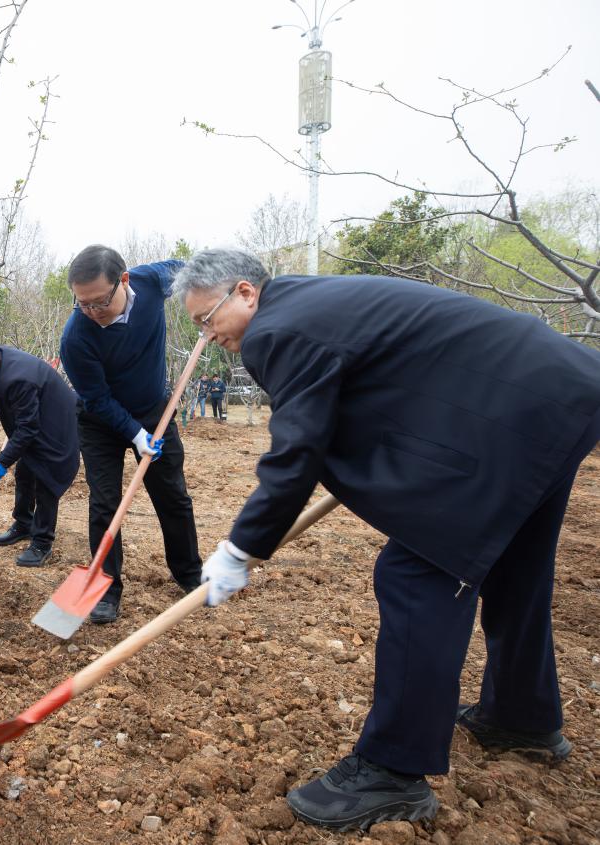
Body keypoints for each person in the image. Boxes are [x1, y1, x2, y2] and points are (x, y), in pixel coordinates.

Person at [176, 247, 600, 831]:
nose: (208, 335)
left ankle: (392, 772)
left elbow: (296, 452)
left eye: (207, 319)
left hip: (510, 414)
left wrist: (241, 548)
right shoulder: (309, 305)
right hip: (558, 396)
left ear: (245, 292)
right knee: (513, 567)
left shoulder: (276, 329)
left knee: (415, 573)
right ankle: (522, 718)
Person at [58, 244, 202, 624]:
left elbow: (194, 271)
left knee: (172, 496)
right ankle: (105, 588)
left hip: (154, 412)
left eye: (99, 302)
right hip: (99, 422)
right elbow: (97, 399)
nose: (92, 311)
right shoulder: (75, 337)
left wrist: (209, 309)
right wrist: (136, 435)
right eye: (82, 304)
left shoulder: (151, 280)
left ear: (123, 281)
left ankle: (190, 574)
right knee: (105, 504)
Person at [0, 333, 79, 567]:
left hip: (56, 427)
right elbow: (18, 417)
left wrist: (2, 460)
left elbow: (28, 427)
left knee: (46, 481)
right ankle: (24, 524)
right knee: (24, 473)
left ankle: (42, 542)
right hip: (36, 421)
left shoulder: (17, 378)